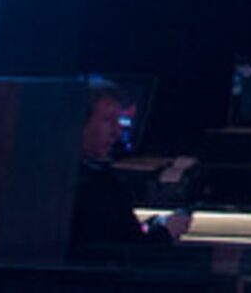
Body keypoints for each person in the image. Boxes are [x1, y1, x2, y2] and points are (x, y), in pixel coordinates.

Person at [71, 77, 189, 251]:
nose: (117, 132)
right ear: (77, 122)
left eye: (118, 120)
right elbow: (132, 254)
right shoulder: (96, 185)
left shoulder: (46, 171)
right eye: (108, 120)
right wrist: (167, 232)